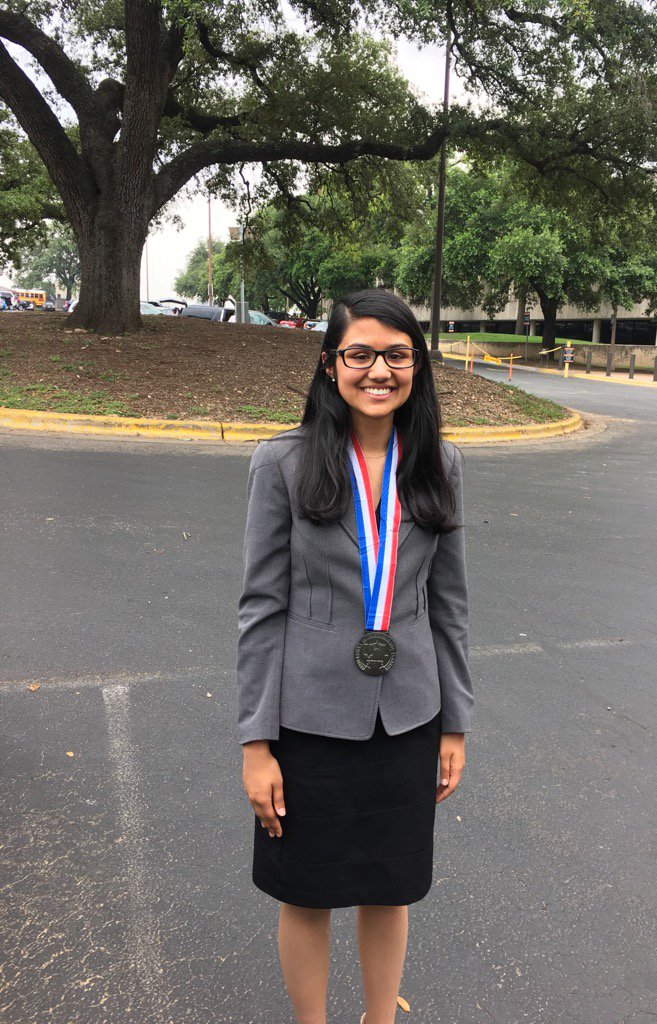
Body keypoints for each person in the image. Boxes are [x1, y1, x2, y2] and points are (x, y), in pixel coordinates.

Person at [237, 288, 474, 1024]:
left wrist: (456, 725)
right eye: (360, 353)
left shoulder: (439, 463)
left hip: (406, 719)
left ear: (417, 365)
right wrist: (255, 743)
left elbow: (451, 605)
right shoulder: (281, 464)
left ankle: (380, 1019)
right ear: (329, 364)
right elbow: (260, 609)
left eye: (398, 354)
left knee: (388, 886)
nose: (380, 370)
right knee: (306, 893)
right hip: (308, 722)